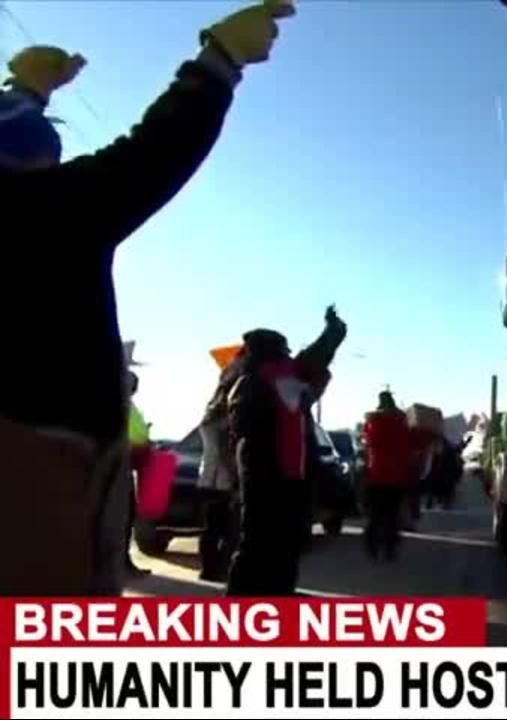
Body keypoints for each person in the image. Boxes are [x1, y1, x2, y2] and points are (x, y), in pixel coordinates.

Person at [0, 1, 297, 596]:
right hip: (42, 483)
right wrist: (219, 61)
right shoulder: (41, 213)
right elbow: (154, 151)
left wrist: (26, 93)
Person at [226, 306, 347, 596]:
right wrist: (333, 330)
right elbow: (316, 357)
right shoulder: (277, 378)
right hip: (278, 477)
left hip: (264, 475)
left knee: (260, 543)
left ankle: (256, 596)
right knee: (274, 544)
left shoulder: (246, 382)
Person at [197, 354, 244, 582]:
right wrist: (236, 478)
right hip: (224, 480)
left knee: (210, 529)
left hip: (207, 478)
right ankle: (221, 570)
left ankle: (208, 570)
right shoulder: (227, 418)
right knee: (230, 530)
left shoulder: (209, 415)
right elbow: (226, 452)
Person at [361, 391, 413, 562]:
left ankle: (372, 546)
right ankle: (389, 548)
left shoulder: (373, 421)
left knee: (376, 514)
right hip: (396, 476)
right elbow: (408, 445)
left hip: (376, 475)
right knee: (392, 515)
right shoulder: (401, 422)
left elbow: (368, 443)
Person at [124, 370, 152, 578]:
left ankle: (123, 561)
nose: (135, 388)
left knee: (127, 516)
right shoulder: (116, 405)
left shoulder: (129, 406)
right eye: (132, 384)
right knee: (121, 517)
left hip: (126, 466)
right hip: (118, 465)